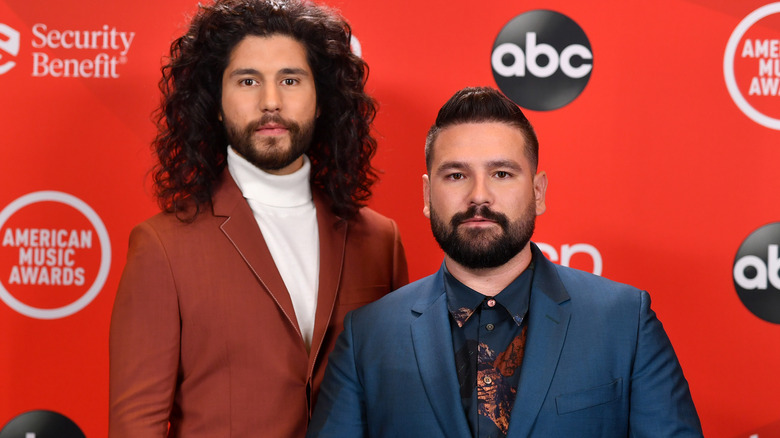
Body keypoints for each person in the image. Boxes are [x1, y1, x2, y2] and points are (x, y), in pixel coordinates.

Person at [307, 87, 702, 438]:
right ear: (428, 195)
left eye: (501, 173)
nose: (480, 196)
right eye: (456, 175)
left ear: (538, 191)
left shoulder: (624, 322)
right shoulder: (368, 336)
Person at [108, 1, 408, 436]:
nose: (271, 101)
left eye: (291, 79)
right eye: (248, 80)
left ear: (322, 99)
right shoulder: (162, 247)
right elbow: (136, 426)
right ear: (215, 101)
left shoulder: (380, 240)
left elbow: (397, 400)